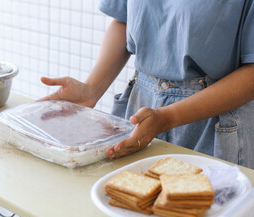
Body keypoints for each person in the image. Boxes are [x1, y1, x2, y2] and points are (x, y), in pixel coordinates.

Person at [39, 0, 254, 169]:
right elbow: (123, 20)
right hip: (142, 109)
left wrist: (167, 117)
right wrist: (91, 90)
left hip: (211, 118)